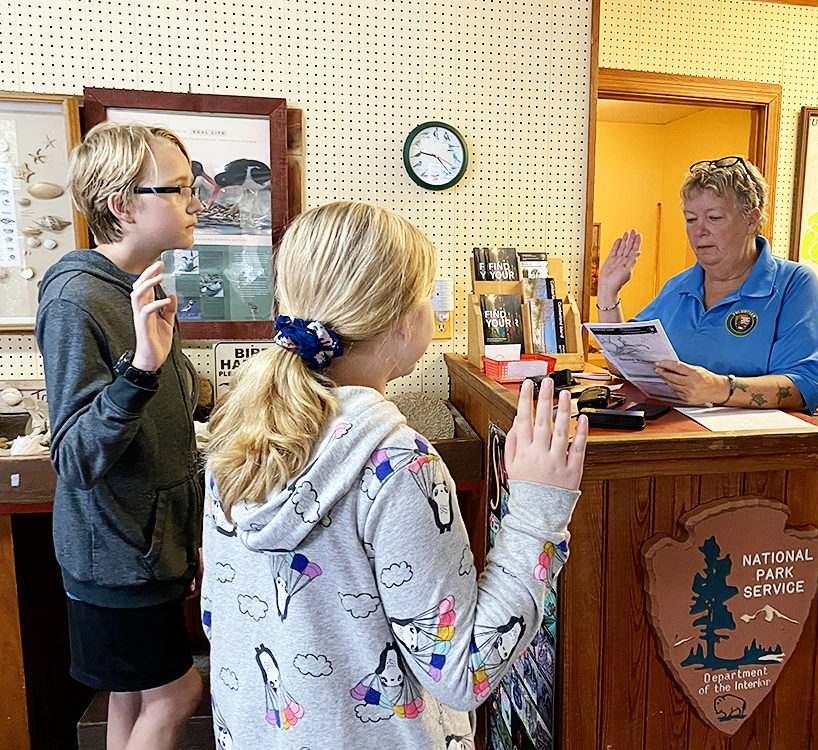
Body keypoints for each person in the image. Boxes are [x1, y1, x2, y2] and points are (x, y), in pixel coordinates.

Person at [201, 201, 588, 748]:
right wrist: (535, 516)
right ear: (404, 323)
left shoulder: (237, 436)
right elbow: (463, 674)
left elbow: (218, 617)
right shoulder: (398, 464)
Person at [36, 122, 205, 750]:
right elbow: (76, 455)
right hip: (116, 555)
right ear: (121, 204)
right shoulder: (77, 297)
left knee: (134, 697)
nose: (197, 202)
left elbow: (166, 403)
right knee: (179, 692)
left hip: (147, 549)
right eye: (179, 189)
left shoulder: (138, 287)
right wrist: (141, 368)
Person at [596, 156, 818, 414]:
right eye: (691, 219)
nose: (699, 231)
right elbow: (622, 363)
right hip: (673, 438)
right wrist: (608, 291)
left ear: (751, 220)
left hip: (750, 447)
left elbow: (805, 386)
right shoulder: (679, 286)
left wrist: (720, 388)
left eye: (714, 217)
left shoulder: (792, 284)